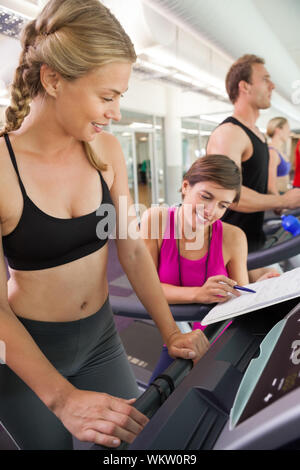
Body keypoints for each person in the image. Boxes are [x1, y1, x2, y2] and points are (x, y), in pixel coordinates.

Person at [0, 0, 208, 450]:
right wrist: (61, 400)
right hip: (28, 352)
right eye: (107, 96)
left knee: (132, 446)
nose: (115, 112)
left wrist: (171, 331)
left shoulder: (106, 151)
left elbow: (130, 248)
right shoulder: (1, 168)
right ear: (53, 80)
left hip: (101, 339)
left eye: (121, 97)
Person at [140, 155, 279, 381]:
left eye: (223, 205)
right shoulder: (156, 219)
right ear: (186, 186)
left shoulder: (233, 237)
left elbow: (239, 293)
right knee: (157, 409)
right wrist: (197, 293)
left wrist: (259, 289)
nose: (211, 211)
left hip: (223, 336)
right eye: (206, 197)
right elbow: (146, 287)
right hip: (181, 337)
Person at [206, 54, 300, 280]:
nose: (272, 85)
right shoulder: (230, 133)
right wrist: (282, 200)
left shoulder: (257, 135)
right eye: (265, 79)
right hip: (228, 250)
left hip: (253, 241)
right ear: (244, 86)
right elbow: (229, 195)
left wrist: (277, 202)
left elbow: (256, 187)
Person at [267, 117, 291, 194]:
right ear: (278, 130)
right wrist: (281, 203)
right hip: (277, 196)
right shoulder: (272, 152)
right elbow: (270, 187)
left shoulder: (280, 151)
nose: (289, 132)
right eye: (287, 128)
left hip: (285, 194)